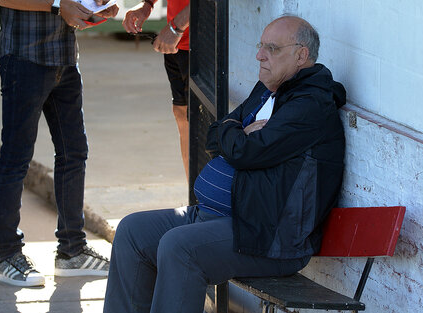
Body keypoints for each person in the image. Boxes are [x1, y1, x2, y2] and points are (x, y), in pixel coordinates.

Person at [103, 15, 346, 313]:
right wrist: (240, 132)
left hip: (268, 235)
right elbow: (214, 133)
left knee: (180, 247)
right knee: (132, 231)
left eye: (271, 48)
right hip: (217, 218)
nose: (259, 55)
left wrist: (236, 135)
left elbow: (245, 152)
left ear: (301, 55)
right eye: (261, 45)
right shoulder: (268, 88)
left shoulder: (309, 106)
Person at [0, 0, 119, 287]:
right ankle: (7, 255)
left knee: (74, 153)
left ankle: (72, 251)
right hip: (24, 59)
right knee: (16, 157)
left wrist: (94, 7)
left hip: (65, 58)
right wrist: (58, 6)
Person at [123, 0, 190, 181]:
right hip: (178, 42)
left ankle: (212, 203)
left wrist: (177, 27)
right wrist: (147, 4)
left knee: (204, 124)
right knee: (182, 115)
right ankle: (196, 199)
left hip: (203, 41)